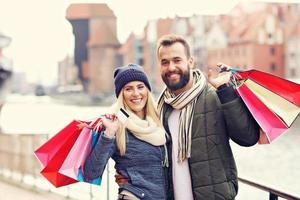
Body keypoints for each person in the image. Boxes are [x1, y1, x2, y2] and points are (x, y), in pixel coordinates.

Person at [156, 34, 260, 200]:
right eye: (165, 62)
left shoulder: (215, 96)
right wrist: (128, 176)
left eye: (177, 60)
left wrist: (226, 92)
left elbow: (248, 138)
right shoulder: (160, 107)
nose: (171, 67)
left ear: (190, 62)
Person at [84, 63, 168, 200]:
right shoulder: (116, 125)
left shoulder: (159, 121)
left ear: (147, 90)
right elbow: (91, 172)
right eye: (128, 89)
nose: (136, 94)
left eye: (140, 87)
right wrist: (108, 135)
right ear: (121, 94)